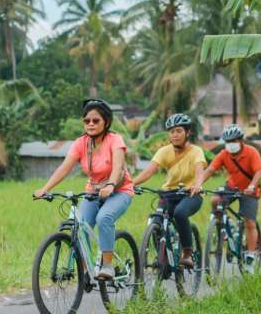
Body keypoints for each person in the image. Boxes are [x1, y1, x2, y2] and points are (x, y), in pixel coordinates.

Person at [33, 99, 134, 280]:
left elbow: (118, 167)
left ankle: (108, 265)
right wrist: (45, 188)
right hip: (93, 192)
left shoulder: (115, 140)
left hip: (120, 191)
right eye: (87, 120)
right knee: (80, 226)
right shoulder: (81, 143)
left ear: (106, 122)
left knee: (104, 218)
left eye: (96, 120)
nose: (91, 124)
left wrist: (111, 185)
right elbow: (65, 167)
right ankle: (86, 271)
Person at [131, 113, 205, 268]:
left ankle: (187, 253)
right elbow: (147, 172)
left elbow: (200, 171)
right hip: (168, 194)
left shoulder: (196, 151)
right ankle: (163, 258)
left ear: (187, 132)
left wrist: (197, 185)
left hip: (191, 194)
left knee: (180, 213)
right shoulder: (164, 151)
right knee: (156, 221)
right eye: (172, 132)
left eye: (179, 131)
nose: (175, 135)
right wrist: (129, 184)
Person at [200, 125, 261, 261]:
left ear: (241, 141)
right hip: (232, 187)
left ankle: (250, 254)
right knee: (215, 200)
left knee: (249, 222)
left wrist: (252, 185)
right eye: (228, 141)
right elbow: (210, 169)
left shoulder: (251, 152)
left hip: (250, 190)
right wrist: (197, 184)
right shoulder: (224, 154)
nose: (231, 144)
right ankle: (222, 225)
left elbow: (259, 171)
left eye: (234, 141)